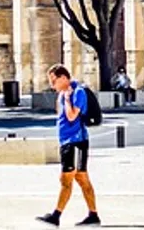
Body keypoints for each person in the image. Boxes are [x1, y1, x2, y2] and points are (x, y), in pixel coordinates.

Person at [37, 64, 100, 226]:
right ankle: (93, 215)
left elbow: (72, 116)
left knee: (66, 180)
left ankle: (56, 216)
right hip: (67, 141)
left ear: (63, 78)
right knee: (82, 179)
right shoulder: (63, 93)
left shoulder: (77, 92)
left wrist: (66, 98)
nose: (52, 85)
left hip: (76, 141)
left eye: (54, 81)